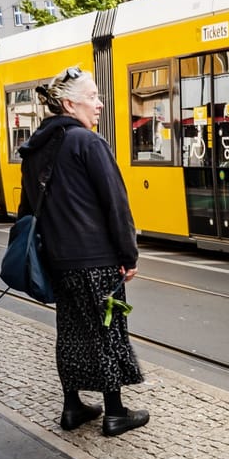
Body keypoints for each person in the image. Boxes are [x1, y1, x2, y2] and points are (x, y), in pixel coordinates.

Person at [17, 65, 149, 437]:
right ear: (68, 104)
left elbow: (27, 211)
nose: (100, 104)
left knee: (72, 332)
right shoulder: (89, 143)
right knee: (107, 331)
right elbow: (116, 204)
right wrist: (129, 255)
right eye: (93, 97)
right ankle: (115, 412)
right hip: (98, 261)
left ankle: (72, 406)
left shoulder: (35, 149)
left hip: (60, 263)